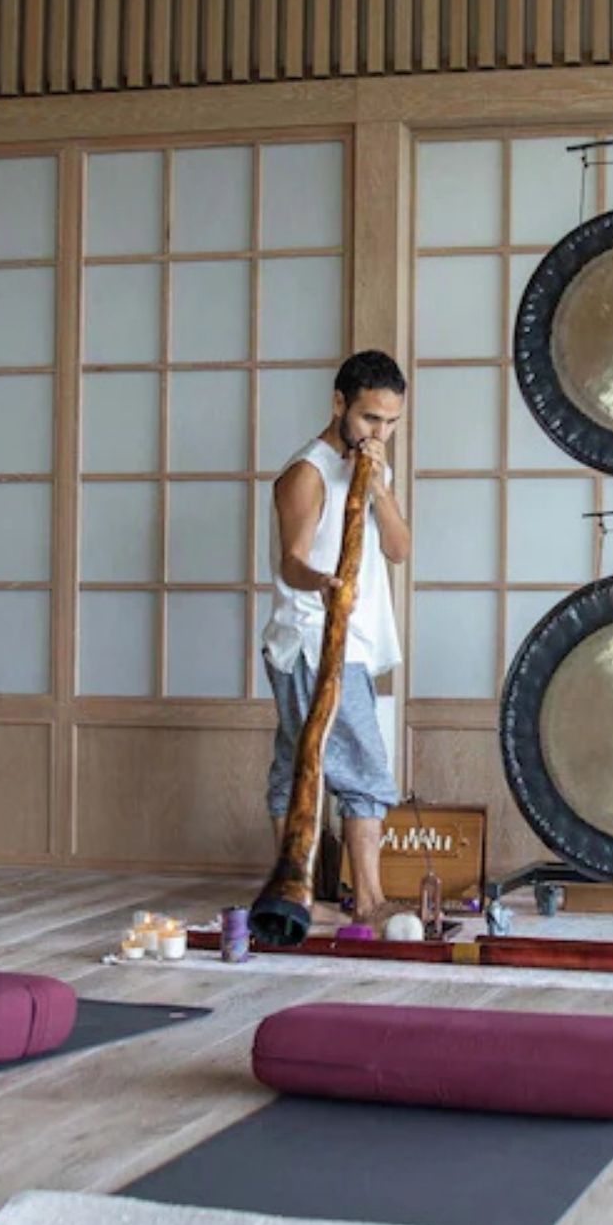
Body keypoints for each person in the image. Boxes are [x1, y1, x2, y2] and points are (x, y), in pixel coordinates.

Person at [260, 350, 412, 927]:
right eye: (371, 419)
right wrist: (324, 584)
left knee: (295, 764)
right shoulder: (308, 472)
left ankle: (293, 892)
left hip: (352, 642)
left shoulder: (375, 470)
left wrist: (377, 487)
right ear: (338, 404)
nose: (382, 432)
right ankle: (367, 901)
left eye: (393, 422)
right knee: (361, 767)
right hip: (313, 640)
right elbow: (291, 563)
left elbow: (398, 549)